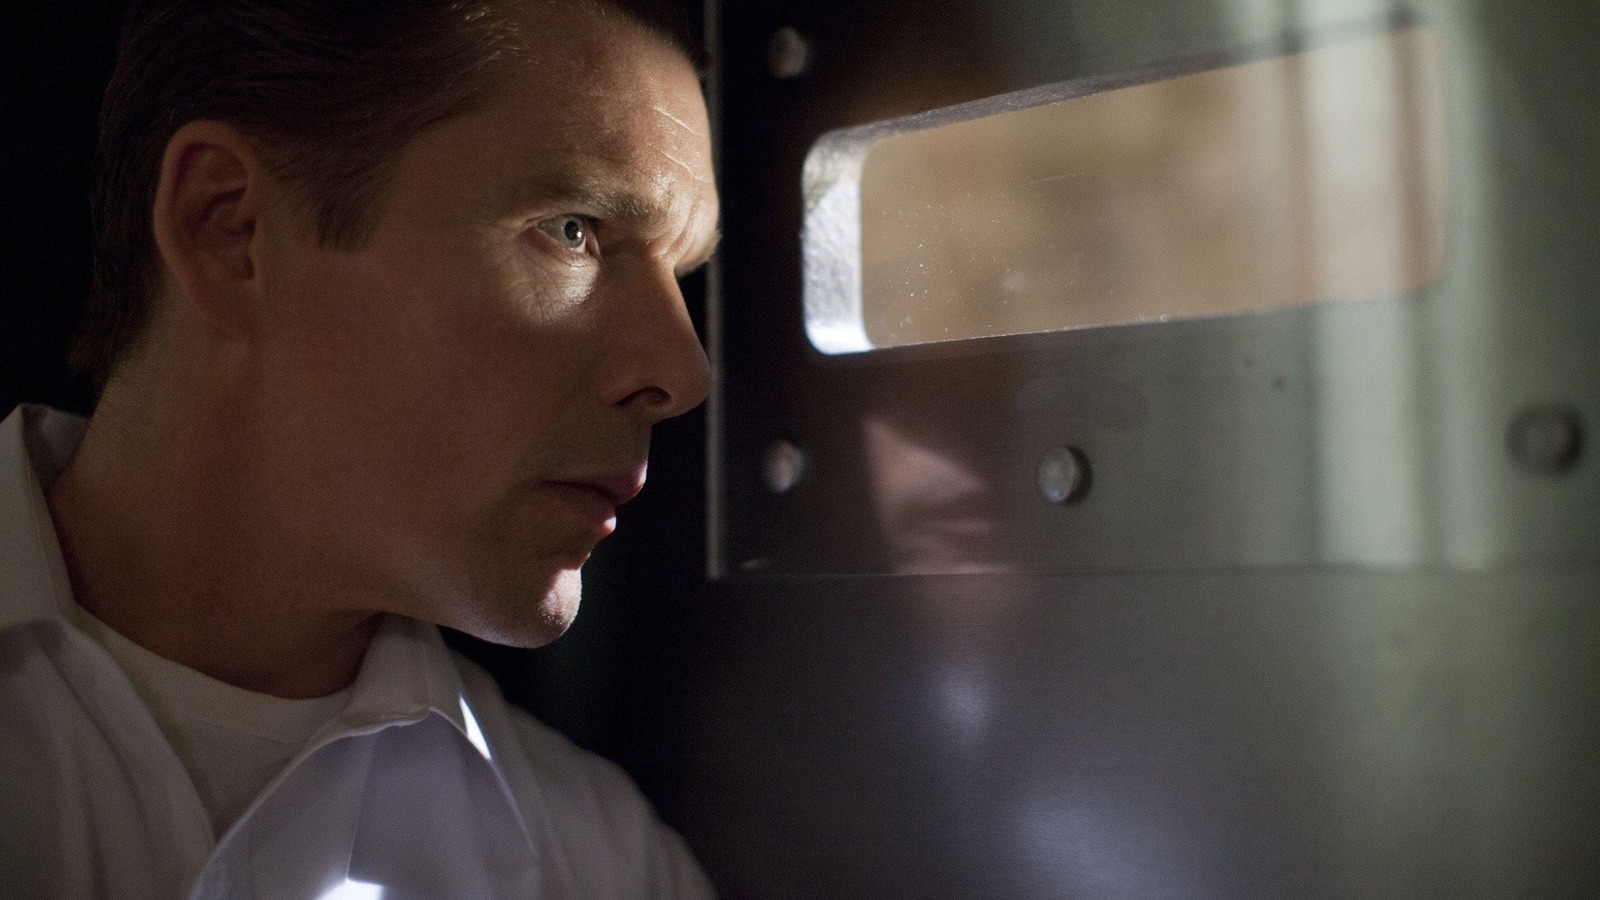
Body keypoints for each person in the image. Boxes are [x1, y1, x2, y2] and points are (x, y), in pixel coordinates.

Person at [0, 0, 720, 896]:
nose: (683, 373)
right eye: (573, 230)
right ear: (229, 227)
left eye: (679, 275)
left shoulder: (608, 864)